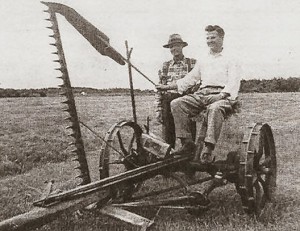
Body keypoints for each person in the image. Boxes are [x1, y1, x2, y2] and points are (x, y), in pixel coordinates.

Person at [156, 25, 242, 164]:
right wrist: (167, 87)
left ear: (222, 38)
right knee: (177, 103)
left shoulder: (231, 59)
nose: (210, 41)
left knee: (214, 109)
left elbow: (233, 82)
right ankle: (187, 144)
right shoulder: (203, 59)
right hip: (203, 93)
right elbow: (190, 79)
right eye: (207, 38)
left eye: (213, 37)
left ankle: (207, 148)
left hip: (223, 95)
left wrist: (221, 95)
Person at [155, 34, 197, 148]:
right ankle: (169, 161)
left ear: (182, 46)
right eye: (171, 47)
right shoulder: (165, 66)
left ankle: (189, 160)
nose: (174, 49)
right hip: (168, 103)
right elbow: (160, 88)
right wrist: (159, 109)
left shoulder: (192, 63)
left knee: (188, 137)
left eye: (177, 46)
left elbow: (198, 84)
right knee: (168, 137)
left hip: (186, 102)